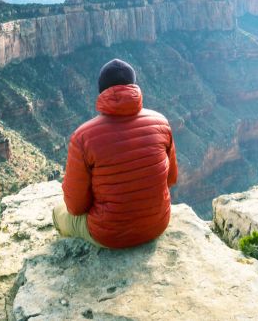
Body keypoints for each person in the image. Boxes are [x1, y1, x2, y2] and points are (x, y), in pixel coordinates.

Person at [53, 58, 178, 249]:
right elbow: (170, 179)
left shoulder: (82, 137)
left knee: (58, 212)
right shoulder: (161, 122)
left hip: (109, 235)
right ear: (134, 86)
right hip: (157, 224)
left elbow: (76, 207)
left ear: (101, 91)